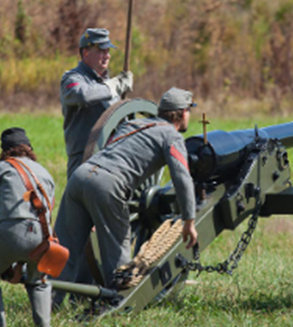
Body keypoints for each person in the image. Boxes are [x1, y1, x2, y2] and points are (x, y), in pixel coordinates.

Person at [54, 87, 199, 290]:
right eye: (189, 110)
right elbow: (182, 178)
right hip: (108, 184)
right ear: (183, 112)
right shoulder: (171, 136)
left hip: (80, 175)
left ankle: (49, 301)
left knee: (64, 249)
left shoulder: (133, 124)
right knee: (118, 258)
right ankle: (118, 302)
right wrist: (189, 221)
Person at [53, 27, 133, 306]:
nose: (106, 55)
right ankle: (59, 292)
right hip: (83, 159)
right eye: (100, 50)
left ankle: (90, 290)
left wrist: (120, 91)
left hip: (112, 162)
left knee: (104, 230)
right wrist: (113, 88)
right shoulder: (72, 79)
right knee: (76, 231)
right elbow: (82, 97)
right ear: (85, 52)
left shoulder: (108, 82)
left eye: (109, 50)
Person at [0, 128, 55, 327]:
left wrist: (4, 257)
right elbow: (49, 213)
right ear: (29, 149)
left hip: (10, 231)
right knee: (39, 281)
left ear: (5, 151)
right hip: (43, 236)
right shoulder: (44, 172)